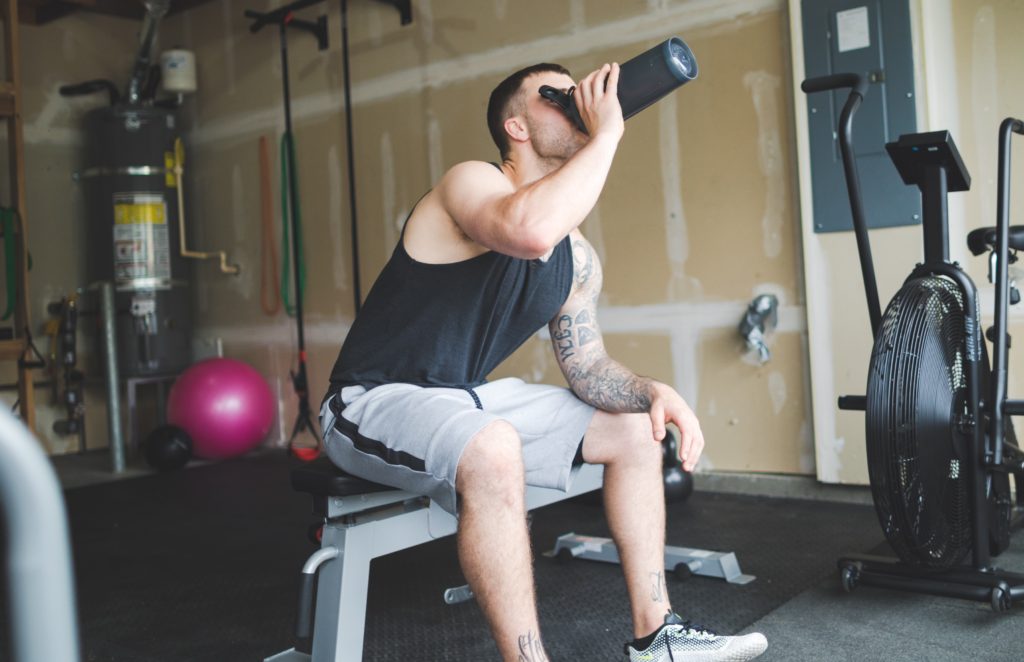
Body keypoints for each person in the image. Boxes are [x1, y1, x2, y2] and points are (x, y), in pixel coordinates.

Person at [321, 60, 768, 662]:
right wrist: (607, 132)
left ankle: (658, 635)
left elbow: (586, 368)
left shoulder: (576, 257)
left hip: (464, 398)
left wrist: (651, 390)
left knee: (635, 429)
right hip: (369, 400)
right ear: (518, 128)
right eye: (555, 97)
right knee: (493, 444)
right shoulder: (471, 182)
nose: (576, 103)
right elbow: (527, 229)